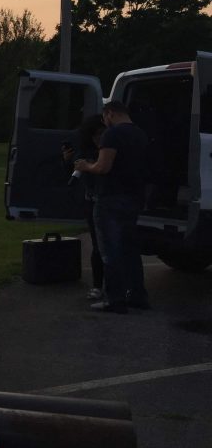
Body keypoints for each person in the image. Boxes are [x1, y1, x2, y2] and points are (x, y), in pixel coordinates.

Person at [74, 100, 150, 314]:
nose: (104, 122)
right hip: (133, 198)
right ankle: (137, 295)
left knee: (110, 251)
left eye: (105, 117)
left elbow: (103, 167)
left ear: (109, 113)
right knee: (130, 251)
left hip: (110, 200)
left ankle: (114, 299)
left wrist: (85, 166)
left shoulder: (112, 134)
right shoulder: (141, 134)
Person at [63, 115, 106, 301]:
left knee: (110, 246)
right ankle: (98, 286)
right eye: (95, 135)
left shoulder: (108, 151)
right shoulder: (86, 150)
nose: (98, 138)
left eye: (101, 134)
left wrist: (89, 165)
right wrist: (68, 161)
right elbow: (75, 173)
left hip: (106, 202)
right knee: (97, 246)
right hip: (92, 201)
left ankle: (113, 287)